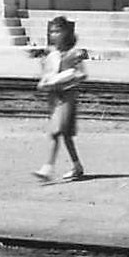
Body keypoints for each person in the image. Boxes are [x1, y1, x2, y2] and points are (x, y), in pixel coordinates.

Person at [34, 16, 87, 182]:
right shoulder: (51, 55)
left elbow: (82, 74)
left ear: (66, 33)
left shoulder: (73, 54)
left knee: (56, 131)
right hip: (54, 97)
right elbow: (45, 75)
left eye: (58, 31)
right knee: (66, 135)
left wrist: (64, 79)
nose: (54, 35)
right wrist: (44, 83)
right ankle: (77, 166)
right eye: (52, 31)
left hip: (67, 97)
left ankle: (47, 168)